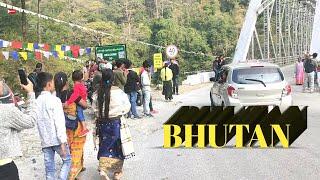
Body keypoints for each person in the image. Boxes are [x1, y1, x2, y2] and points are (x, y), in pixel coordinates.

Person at [92, 69, 131, 180]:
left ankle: (103, 170)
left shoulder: (97, 92)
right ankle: (117, 172)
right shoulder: (118, 92)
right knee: (117, 146)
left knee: (104, 144)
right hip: (116, 123)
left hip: (102, 123)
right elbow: (127, 107)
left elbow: (94, 109)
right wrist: (120, 112)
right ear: (113, 78)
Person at [35, 72, 71, 180]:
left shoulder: (36, 101)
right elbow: (59, 122)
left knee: (49, 169)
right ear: (49, 84)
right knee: (67, 160)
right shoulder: (55, 100)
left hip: (45, 140)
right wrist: (63, 141)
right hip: (56, 139)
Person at [0, 79, 38, 180]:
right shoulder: (5, 110)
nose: (3, 83)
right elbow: (30, 121)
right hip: (4, 169)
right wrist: (31, 93)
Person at [54, 72, 88, 179]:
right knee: (77, 146)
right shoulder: (71, 94)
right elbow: (85, 105)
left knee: (69, 145)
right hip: (75, 124)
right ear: (66, 82)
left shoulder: (55, 96)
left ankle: (80, 166)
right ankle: (73, 173)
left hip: (63, 125)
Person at [65, 70, 89, 137]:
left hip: (80, 103)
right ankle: (83, 128)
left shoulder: (76, 85)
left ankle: (84, 128)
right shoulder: (81, 85)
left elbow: (75, 95)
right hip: (83, 100)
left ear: (72, 79)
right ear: (81, 78)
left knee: (79, 113)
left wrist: (69, 102)